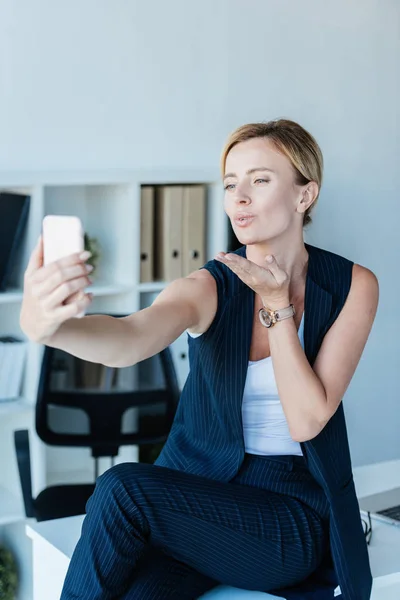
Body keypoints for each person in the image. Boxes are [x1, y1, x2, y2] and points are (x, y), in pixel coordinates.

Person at [20, 119, 379, 600]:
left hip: (287, 517)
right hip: (194, 500)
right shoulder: (208, 286)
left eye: (260, 179)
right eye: (231, 183)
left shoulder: (352, 285)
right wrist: (54, 328)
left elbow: (307, 420)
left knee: (122, 488)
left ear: (304, 195)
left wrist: (277, 308)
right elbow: (132, 337)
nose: (239, 197)